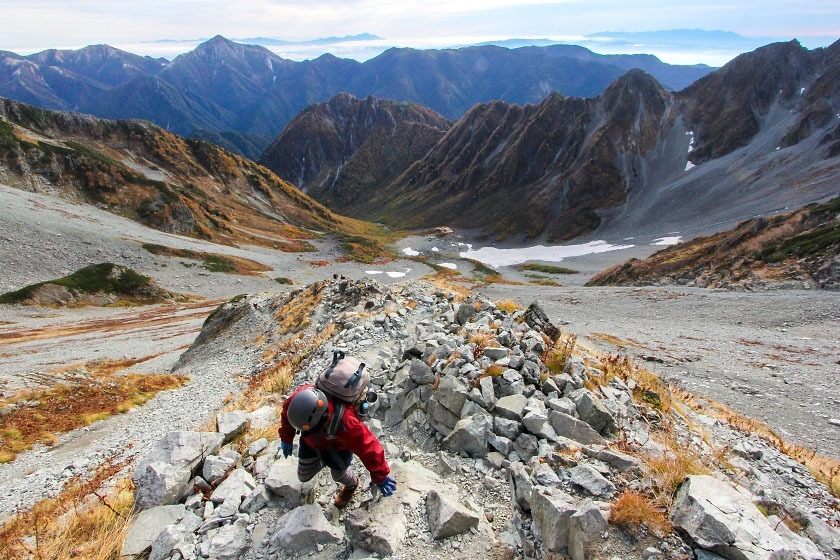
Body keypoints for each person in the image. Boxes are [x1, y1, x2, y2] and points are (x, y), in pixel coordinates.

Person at [278, 384, 397, 507]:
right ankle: (321, 462)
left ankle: (352, 485)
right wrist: (286, 437)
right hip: (312, 442)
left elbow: (369, 448)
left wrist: (380, 476)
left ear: (322, 420)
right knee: (303, 475)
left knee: (339, 475)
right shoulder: (299, 399)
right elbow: (286, 415)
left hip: (338, 448)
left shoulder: (346, 422)